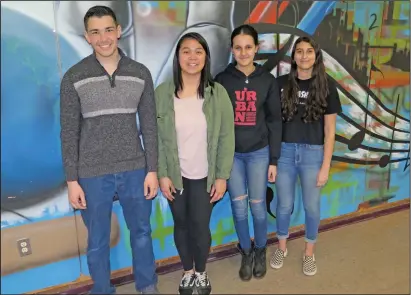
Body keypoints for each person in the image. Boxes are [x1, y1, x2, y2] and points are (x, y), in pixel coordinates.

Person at [60, 6, 159, 294]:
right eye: (95, 32)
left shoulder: (140, 73)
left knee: (141, 233)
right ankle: (102, 290)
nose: (103, 38)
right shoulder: (73, 77)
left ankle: (147, 286)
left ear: (118, 31)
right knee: (97, 241)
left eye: (108, 30)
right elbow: (68, 132)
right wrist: (72, 180)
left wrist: (152, 169)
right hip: (91, 173)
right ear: (87, 37)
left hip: (135, 168)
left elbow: (150, 126)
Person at [155, 32, 235, 295]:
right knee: (181, 224)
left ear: (206, 57)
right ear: (177, 57)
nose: (192, 57)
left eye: (198, 51)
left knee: (200, 225)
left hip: (205, 175)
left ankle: (201, 272)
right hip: (175, 176)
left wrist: (222, 176)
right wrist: (162, 174)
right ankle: (187, 271)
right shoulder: (163, 93)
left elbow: (226, 137)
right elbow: (155, 136)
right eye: (186, 51)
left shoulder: (217, 94)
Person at [215, 24, 282, 281]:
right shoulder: (222, 80)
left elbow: (275, 121)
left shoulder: (267, 80)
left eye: (248, 47)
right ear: (232, 50)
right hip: (232, 155)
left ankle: (261, 249)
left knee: (257, 207)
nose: (243, 53)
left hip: (258, 153)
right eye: (238, 48)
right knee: (239, 208)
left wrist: (273, 159)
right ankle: (245, 250)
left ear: (257, 48)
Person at [270, 36, 342, 276]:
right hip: (286, 153)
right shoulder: (280, 84)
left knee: (312, 207)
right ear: (293, 57)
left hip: (313, 154)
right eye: (299, 51)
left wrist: (326, 166)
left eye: (308, 51)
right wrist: (274, 157)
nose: (303, 56)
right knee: (284, 205)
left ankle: (309, 253)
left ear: (316, 55)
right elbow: (272, 123)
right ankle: (281, 247)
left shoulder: (327, 86)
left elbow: (330, 131)